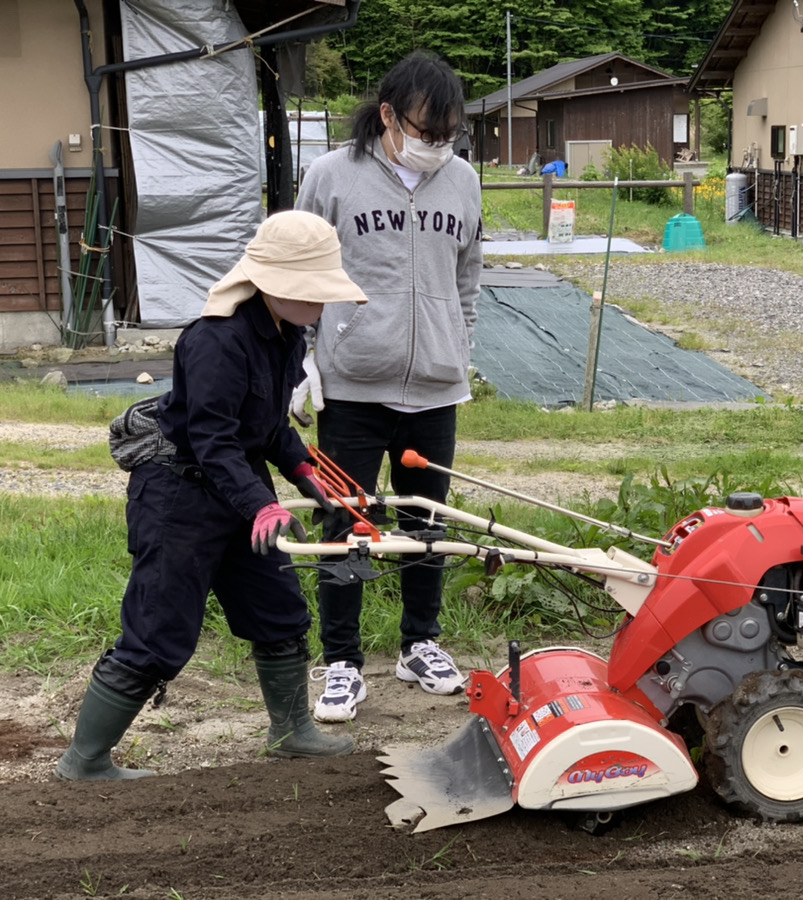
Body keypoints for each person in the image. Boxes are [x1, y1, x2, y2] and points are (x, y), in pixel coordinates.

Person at [55, 211, 368, 781]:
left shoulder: (286, 333)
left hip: (237, 487)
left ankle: (292, 730)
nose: (323, 305)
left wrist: (300, 468)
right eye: (314, 292)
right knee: (159, 628)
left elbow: (267, 423)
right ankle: (85, 761)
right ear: (274, 283)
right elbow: (210, 436)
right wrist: (261, 504)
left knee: (279, 611)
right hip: (179, 492)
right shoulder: (215, 340)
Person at [293, 51, 483, 723]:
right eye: (427, 131)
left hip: (434, 387)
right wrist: (302, 360)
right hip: (352, 386)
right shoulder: (330, 177)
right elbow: (298, 271)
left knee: (426, 525)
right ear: (388, 117)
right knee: (347, 522)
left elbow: (467, 278)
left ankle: (420, 643)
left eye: (449, 134)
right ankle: (341, 662)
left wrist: (460, 347)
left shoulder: (462, 182)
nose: (438, 146)